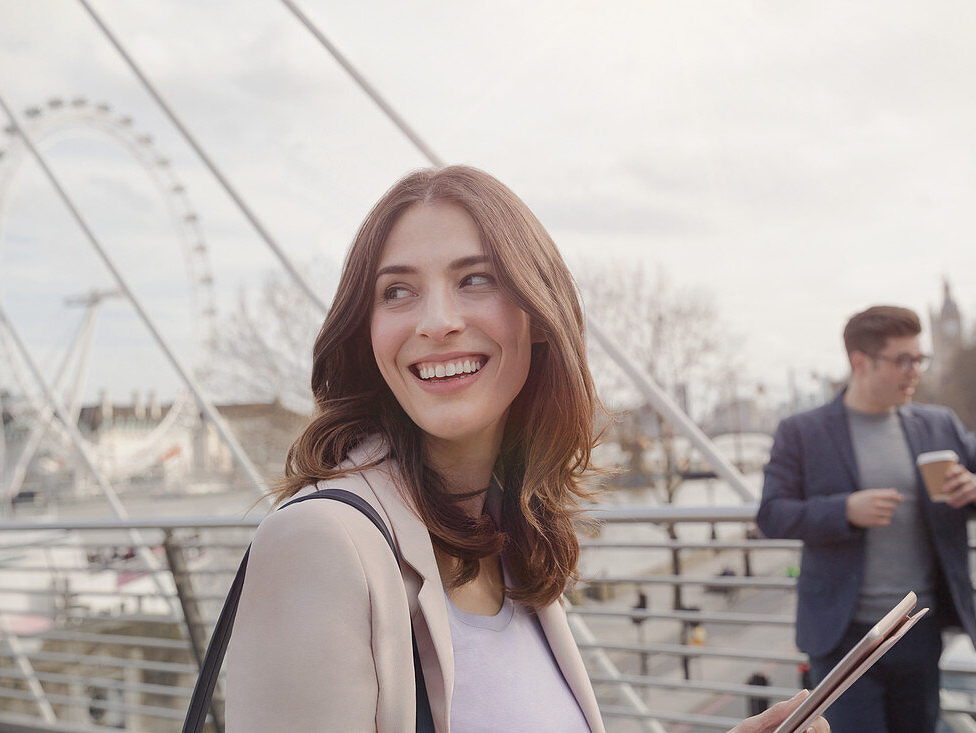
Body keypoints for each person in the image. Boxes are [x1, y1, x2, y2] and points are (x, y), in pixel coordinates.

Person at [227, 165, 829, 732]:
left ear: (539, 316)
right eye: (397, 292)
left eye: (476, 280)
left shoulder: (507, 538)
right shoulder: (320, 543)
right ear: (366, 331)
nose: (437, 321)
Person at [757, 305, 976, 733]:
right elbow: (771, 515)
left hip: (916, 631)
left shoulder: (937, 423)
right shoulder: (802, 431)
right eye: (902, 360)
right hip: (842, 637)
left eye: (918, 359)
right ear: (859, 362)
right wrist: (844, 510)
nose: (914, 371)